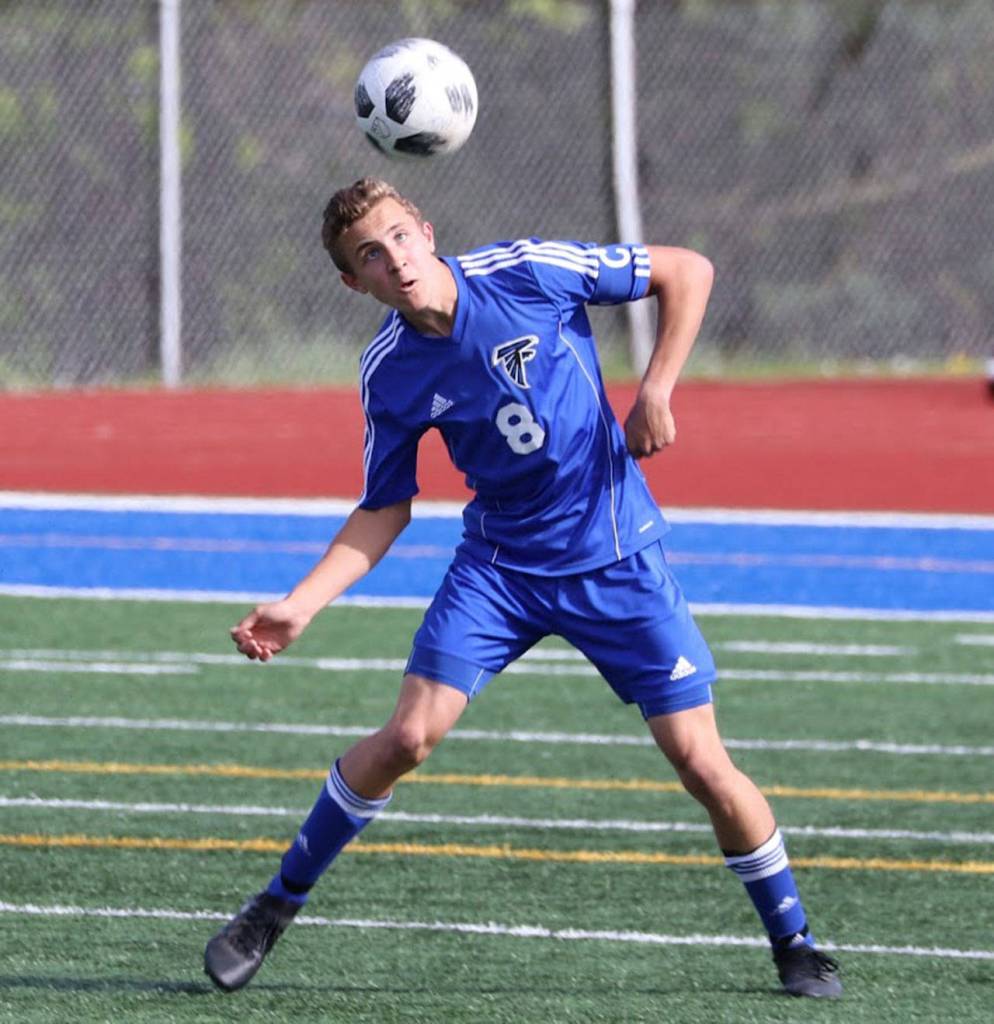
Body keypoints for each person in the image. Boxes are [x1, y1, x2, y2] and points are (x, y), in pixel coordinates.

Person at [203, 177, 842, 999]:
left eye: (400, 237)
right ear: (351, 283)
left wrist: (655, 389)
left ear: (426, 231)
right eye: (370, 254)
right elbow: (386, 506)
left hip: (615, 554)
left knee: (699, 761)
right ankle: (271, 908)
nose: (394, 260)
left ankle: (794, 940)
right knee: (407, 737)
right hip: (500, 567)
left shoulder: (526, 270)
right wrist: (302, 602)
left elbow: (689, 270)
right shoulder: (389, 371)